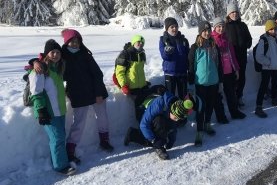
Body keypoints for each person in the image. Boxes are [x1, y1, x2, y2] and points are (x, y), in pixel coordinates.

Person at [60, 29, 113, 164]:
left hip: (95, 90)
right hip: (78, 93)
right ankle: (70, 150)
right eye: (71, 41)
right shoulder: (62, 57)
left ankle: (104, 141)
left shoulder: (85, 54)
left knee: (102, 117)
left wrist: (99, 93)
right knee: (79, 122)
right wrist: (35, 62)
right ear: (66, 43)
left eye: (77, 41)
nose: (75, 44)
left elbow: (97, 74)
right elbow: (49, 60)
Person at [29, 39, 76, 175]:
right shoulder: (40, 70)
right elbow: (36, 93)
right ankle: (61, 166)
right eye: (52, 52)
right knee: (57, 138)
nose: (55, 55)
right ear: (46, 54)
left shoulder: (57, 69)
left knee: (59, 137)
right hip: (49, 112)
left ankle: (60, 160)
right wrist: (41, 110)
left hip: (59, 111)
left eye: (57, 52)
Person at [124, 91, 193, 160]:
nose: (177, 120)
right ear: (171, 111)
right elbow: (144, 124)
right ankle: (133, 134)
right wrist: (154, 140)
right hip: (143, 113)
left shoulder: (175, 106)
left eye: (178, 118)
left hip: (161, 115)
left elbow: (173, 126)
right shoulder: (159, 105)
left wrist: (171, 140)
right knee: (159, 122)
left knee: (168, 122)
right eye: (176, 117)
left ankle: (158, 141)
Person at [188, 21, 223, 138]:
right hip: (200, 83)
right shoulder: (195, 47)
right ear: (200, 32)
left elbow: (219, 65)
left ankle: (207, 124)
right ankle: (199, 130)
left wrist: (220, 81)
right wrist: (191, 83)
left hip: (213, 82)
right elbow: (191, 66)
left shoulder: (214, 46)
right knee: (200, 107)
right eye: (204, 31)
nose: (207, 33)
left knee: (210, 105)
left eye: (208, 30)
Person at [211, 17, 246, 120]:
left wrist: (236, 68)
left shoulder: (227, 38)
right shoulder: (212, 40)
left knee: (231, 93)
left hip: (229, 70)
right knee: (218, 95)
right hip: (218, 72)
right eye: (218, 27)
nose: (221, 29)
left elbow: (233, 55)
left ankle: (234, 112)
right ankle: (221, 116)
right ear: (215, 28)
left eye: (222, 26)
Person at [224, 3, 252, 107]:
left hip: (242, 56)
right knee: (232, 79)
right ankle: (232, 99)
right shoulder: (225, 26)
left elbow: (249, 38)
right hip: (230, 58)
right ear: (228, 14)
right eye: (232, 12)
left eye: (236, 12)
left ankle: (239, 96)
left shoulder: (243, 25)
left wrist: (247, 44)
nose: (234, 14)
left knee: (242, 78)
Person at [254, 20, 277, 118]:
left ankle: (274, 99)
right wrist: (268, 62)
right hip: (266, 67)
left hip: (275, 66)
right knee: (264, 85)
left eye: (274, 28)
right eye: (271, 29)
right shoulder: (264, 40)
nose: (273, 30)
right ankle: (258, 106)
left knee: (275, 83)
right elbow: (259, 56)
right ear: (267, 30)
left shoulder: (275, 39)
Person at [159, 17, 190, 99]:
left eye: (176, 26)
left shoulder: (184, 40)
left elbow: (188, 56)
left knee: (184, 97)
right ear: (167, 29)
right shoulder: (163, 40)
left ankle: (184, 111)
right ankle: (170, 112)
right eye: (172, 27)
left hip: (182, 73)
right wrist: (167, 52)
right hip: (170, 73)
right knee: (170, 97)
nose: (174, 29)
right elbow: (164, 56)